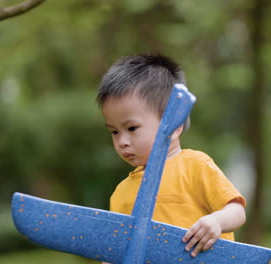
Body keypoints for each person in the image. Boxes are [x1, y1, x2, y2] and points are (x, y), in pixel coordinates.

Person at [96, 54, 246, 258]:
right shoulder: (121, 193)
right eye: (114, 131)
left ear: (175, 126)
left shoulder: (194, 166)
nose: (122, 141)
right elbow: (115, 251)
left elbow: (237, 211)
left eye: (132, 128)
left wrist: (216, 222)